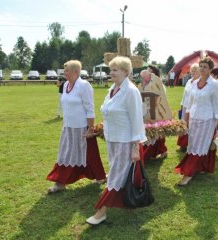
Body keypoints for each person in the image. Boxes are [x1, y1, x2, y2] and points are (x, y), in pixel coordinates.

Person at [86, 56, 147, 225]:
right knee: (117, 172)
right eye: (110, 69)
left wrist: (136, 147)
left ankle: (101, 212)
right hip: (112, 139)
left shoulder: (131, 91)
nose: (111, 72)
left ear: (126, 72)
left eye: (115, 70)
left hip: (125, 141)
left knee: (115, 175)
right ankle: (127, 200)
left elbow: (136, 120)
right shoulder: (113, 89)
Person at [46, 60, 106, 193]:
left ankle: (99, 177)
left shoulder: (84, 86)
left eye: (66, 70)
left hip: (82, 127)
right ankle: (61, 183)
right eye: (64, 70)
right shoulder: (66, 84)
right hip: (68, 127)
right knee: (66, 153)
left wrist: (90, 128)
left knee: (89, 154)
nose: (64, 73)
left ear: (76, 72)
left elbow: (89, 109)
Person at [175, 57, 218, 186]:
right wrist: (185, 119)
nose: (202, 69)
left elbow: (217, 105)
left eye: (205, 67)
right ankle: (200, 167)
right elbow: (189, 103)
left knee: (200, 146)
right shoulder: (194, 83)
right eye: (201, 66)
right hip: (193, 118)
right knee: (192, 145)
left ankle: (188, 173)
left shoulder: (215, 85)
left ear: (210, 69)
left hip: (208, 120)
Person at [138, 65, 169, 161]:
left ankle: (150, 153)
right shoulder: (143, 84)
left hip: (155, 112)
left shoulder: (159, 85)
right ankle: (160, 151)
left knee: (154, 133)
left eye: (150, 72)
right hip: (146, 112)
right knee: (150, 133)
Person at [177, 63, 200, 152]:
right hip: (185, 107)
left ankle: (190, 145)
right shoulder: (189, 81)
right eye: (192, 71)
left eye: (195, 71)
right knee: (183, 125)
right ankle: (183, 145)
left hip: (193, 108)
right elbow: (185, 95)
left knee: (191, 126)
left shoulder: (199, 82)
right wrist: (182, 105)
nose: (193, 73)